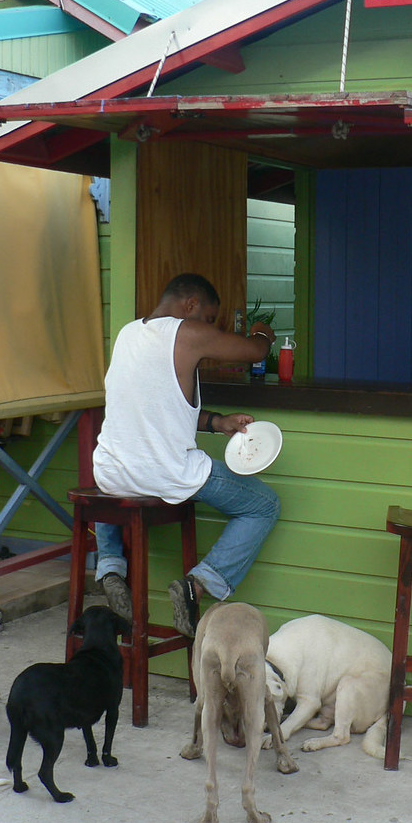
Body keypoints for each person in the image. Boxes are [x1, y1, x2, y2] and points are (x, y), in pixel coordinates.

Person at [92, 273, 280, 638]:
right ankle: (197, 585)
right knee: (264, 506)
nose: (210, 329)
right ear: (191, 305)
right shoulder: (187, 332)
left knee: (113, 480)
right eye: (210, 319)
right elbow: (254, 352)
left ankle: (111, 569)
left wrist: (216, 422)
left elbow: (159, 410)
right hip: (165, 474)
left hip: (111, 471)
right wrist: (262, 332)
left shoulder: (128, 334)